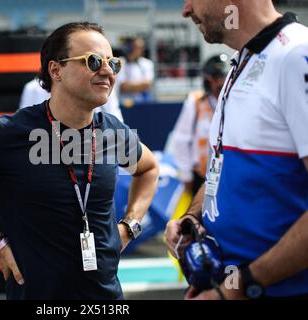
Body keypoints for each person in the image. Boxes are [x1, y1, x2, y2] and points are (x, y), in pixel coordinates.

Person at [0, 22, 159, 300]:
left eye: (112, 63)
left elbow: (149, 169)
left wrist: (130, 226)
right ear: (56, 70)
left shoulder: (112, 131)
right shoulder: (7, 134)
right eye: (93, 61)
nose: (107, 71)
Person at [164, 0, 308, 299]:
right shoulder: (241, 62)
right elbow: (221, 168)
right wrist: (193, 219)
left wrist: (243, 286)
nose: (186, 10)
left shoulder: (296, 55)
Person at [171, 54, 229, 194]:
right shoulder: (196, 102)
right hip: (201, 176)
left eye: (225, 76)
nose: (222, 82)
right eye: (218, 77)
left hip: (230, 174)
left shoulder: (237, 102)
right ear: (208, 80)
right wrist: (186, 175)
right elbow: (181, 139)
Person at [19, 77, 125, 122]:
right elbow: (25, 123)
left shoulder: (104, 87)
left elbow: (117, 122)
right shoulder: (32, 88)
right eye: (86, 61)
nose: (106, 70)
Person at [116, 36, 155, 106]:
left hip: (144, 103)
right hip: (124, 103)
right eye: (135, 47)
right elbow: (122, 86)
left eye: (141, 48)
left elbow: (147, 85)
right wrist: (139, 86)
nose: (138, 50)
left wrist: (129, 86)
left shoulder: (147, 63)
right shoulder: (121, 61)